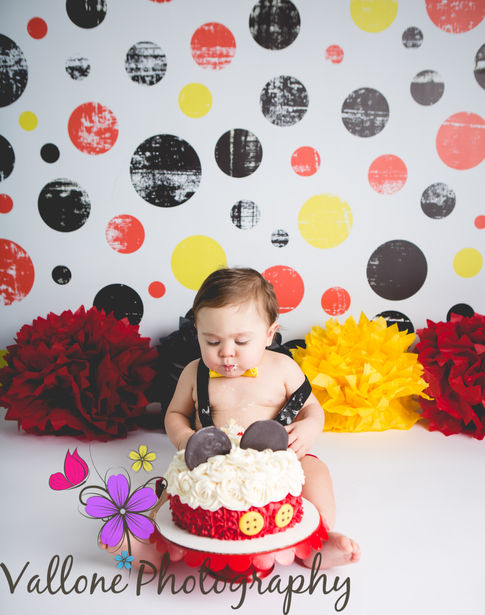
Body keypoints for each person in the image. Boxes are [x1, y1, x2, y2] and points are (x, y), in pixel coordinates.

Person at [165, 267, 360, 569]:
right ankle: (153, 542)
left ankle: (317, 539)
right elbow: (176, 413)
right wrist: (184, 437)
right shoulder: (194, 373)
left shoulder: (283, 368)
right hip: (213, 465)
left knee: (317, 473)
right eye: (212, 342)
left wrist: (308, 428)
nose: (226, 353)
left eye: (241, 342)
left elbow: (312, 408)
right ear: (198, 334)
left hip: (279, 458)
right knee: (171, 487)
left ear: (269, 334)